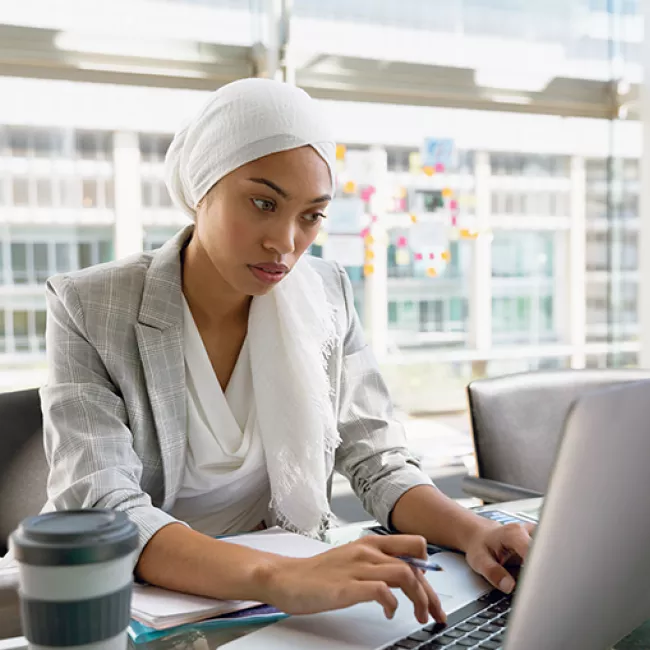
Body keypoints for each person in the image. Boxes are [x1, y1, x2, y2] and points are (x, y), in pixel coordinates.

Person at [38, 78, 533, 624]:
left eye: (311, 215)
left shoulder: (324, 293)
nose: (286, 242)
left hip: (277, 603)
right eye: (262, 203)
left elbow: (375, 457)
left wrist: (476, 531)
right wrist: (279, 577)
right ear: (201, 189)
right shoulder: (90, 305)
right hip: (133, 611)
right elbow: (106, 511)